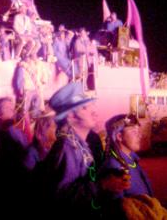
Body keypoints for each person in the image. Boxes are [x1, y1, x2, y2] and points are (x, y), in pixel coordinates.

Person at [40, 82, 130, 219]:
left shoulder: (79, 144)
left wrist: (108, 176)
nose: (94, 111)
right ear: (71, 116)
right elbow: (62, 197)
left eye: (91, 105)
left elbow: (83, 181)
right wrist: (103, 184)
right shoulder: (67, 148)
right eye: (84, 108)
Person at [103, 114, 153, 198]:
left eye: (139, 131)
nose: (139, 136)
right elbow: (119, 207)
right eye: (134, 132)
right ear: (119, 136)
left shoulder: (131, 160)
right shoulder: (114, 168)